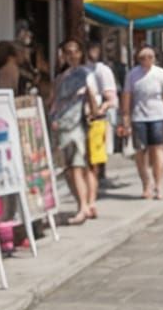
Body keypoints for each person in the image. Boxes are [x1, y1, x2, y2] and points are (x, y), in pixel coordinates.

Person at [48, 39, 100, 225]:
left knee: (77, 168)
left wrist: (94, 114)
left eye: (74, 52)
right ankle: (84, 204)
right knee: (69, 170)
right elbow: (53, 100)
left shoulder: (85, 73)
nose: (70, 56)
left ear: (79, 53)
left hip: (76, 126)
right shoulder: (61, 77)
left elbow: (92, 95)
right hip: (61, 125)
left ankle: (83, 207)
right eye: (67, 52)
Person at [121, 47, 163, 200]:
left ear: (154, 58)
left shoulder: (160, 73)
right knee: (140, 152)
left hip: (158, 116)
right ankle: (146, 184)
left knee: (158, 150)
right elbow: (127, 96)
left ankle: (158, 185)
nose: (146, 60)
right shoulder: (132, 74)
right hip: (138, 117)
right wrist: (125, 118)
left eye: (150, 57)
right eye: (143, 57)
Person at [86, 42, 120, 189]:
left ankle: (99, 177)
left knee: (97, 149)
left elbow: (110, 96)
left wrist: (101, 108)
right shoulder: (79, 70)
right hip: (79, 114)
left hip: (96, 114)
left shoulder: (101, 70)